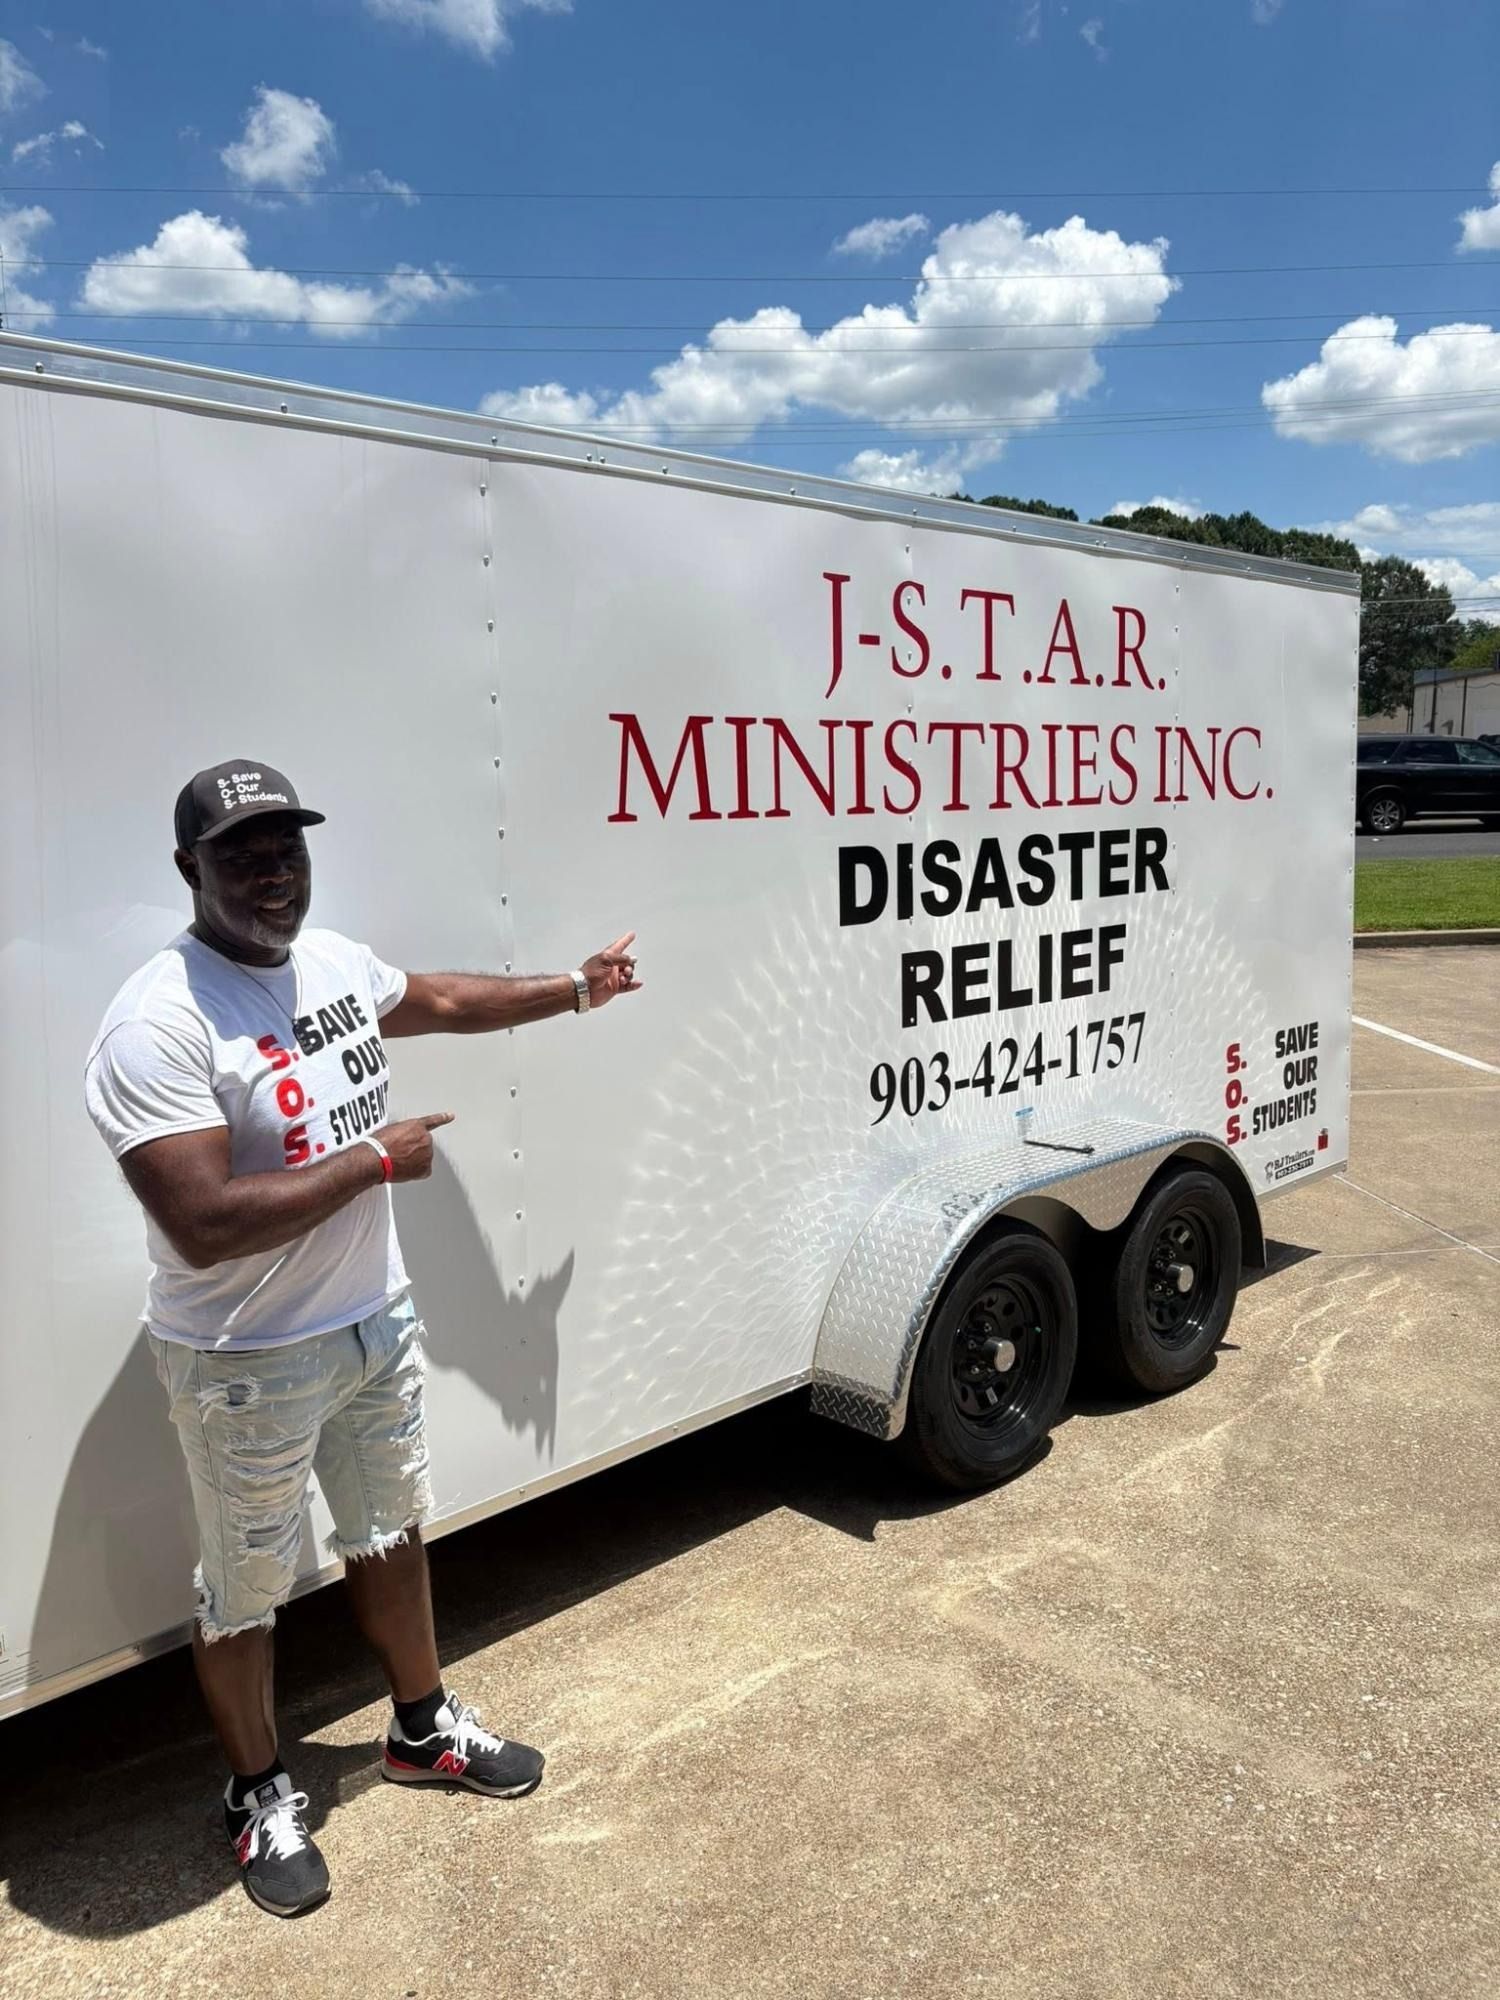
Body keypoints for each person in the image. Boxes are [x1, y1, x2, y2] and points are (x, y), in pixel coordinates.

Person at [84, 761, 640, 1917]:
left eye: (285, 847)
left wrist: (573, 991)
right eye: (241, 854)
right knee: (242, 1589)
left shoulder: (330, 959)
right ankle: (254, 1790)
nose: (272, 871)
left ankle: (420, 1725)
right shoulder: (159, 1020)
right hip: (244, 1359)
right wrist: (375, 1159)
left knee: (391, 1530)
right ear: (189, 869)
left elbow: (432, 998)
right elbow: (198, 1224)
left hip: (368, 1325)